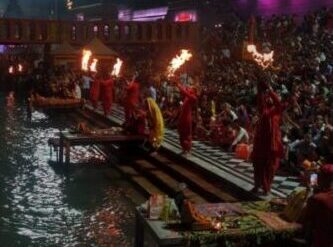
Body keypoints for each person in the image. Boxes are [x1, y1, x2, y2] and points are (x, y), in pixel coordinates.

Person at [251, 79, 283, 195]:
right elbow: (260, 101)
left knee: (269, 167)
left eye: (270, 99)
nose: (268, 99)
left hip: (272, 143)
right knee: (258, 165)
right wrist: (260, 90)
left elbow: (279, 103)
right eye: (267, 98)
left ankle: (266, 188)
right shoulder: (263, 111)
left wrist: (270, 91)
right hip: (261, 143)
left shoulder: (277, 111)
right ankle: (257, 185)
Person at [175, 78, 198, 155]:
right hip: (182, 117)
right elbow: (185, 90)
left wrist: (179, 86)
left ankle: (188, 149)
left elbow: (185, 92)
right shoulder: (188, 96)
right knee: (181, 133)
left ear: (194, 91)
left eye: (192, 88)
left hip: (187, 119)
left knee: (187, 134)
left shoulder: (193, 97)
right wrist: (178, 82)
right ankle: (184, 148)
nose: (190, 88)